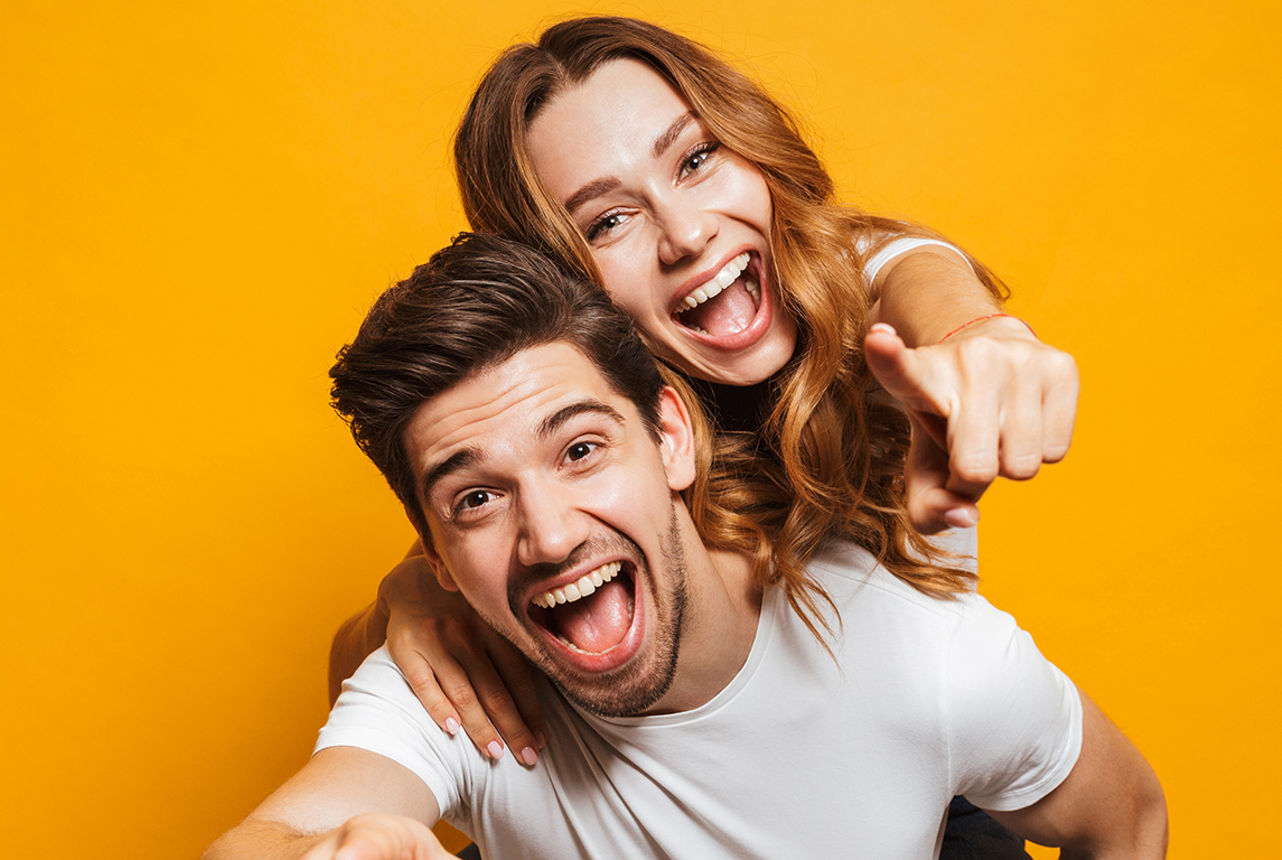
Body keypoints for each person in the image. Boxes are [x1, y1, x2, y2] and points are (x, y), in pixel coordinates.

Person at [206, 234, 1164, 860]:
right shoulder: (467, 687)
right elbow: (266, 835)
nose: (548, 533)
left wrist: (962, 314)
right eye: (478, 498)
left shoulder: (927, 659)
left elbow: (1128, 821)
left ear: (672, 435)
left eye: (581, 449)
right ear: (436, 557)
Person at [331, 19, 1084, 781]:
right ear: (559, 281)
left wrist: (977, 331)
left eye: (696, 159)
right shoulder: (595, 454)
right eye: (609, 221)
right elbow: (431, 588)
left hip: (946, 787)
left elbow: (905, 266)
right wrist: (412, 600)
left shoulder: (850, 300)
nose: (687, 234)